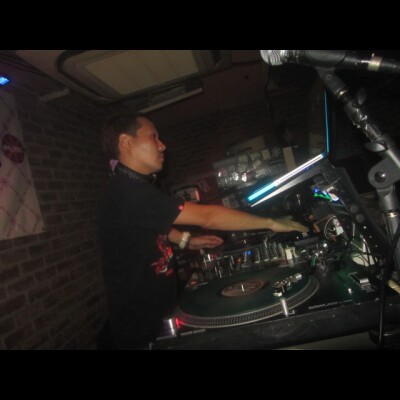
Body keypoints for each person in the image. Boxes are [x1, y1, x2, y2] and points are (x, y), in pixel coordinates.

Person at [99, 112, 308, 350]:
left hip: (158, 316)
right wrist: (270, 222)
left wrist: (186, 240)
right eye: (153, 136)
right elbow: (208, 216)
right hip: (141, 331)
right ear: (126, 142)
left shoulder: (129, 188)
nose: (162, 145)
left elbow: (153, 222)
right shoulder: (128, 192)